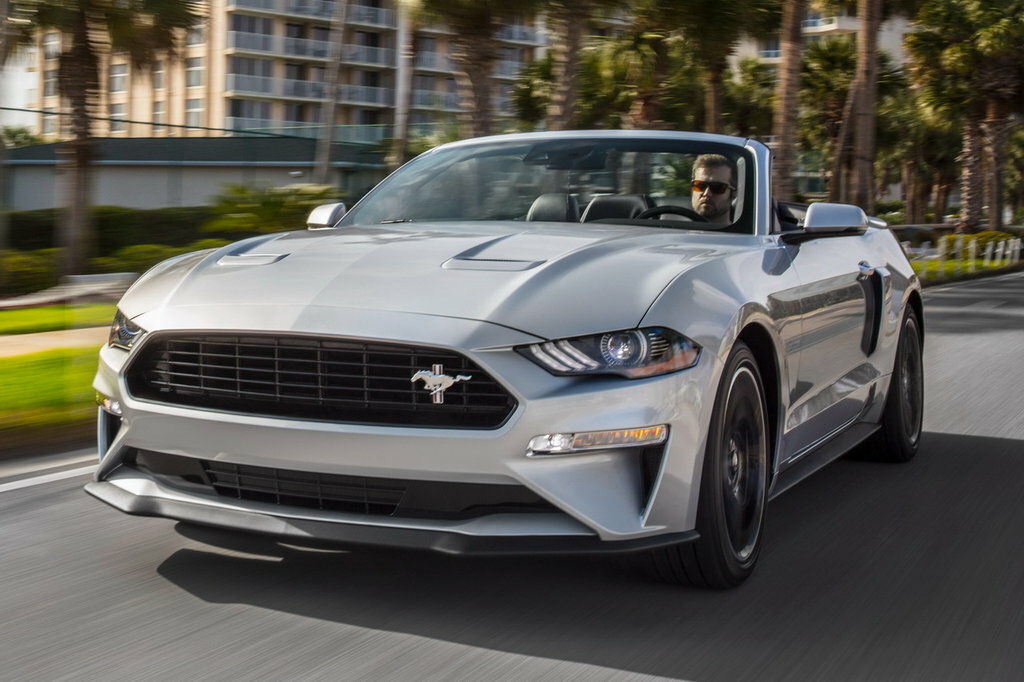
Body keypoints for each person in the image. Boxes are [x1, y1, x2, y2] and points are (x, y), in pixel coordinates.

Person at [691, 154, 737, 225]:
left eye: (717, 187)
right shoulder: (677, 230)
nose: (706, 193)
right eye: (700, 185)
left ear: (734, 193)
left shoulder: (742, 235)